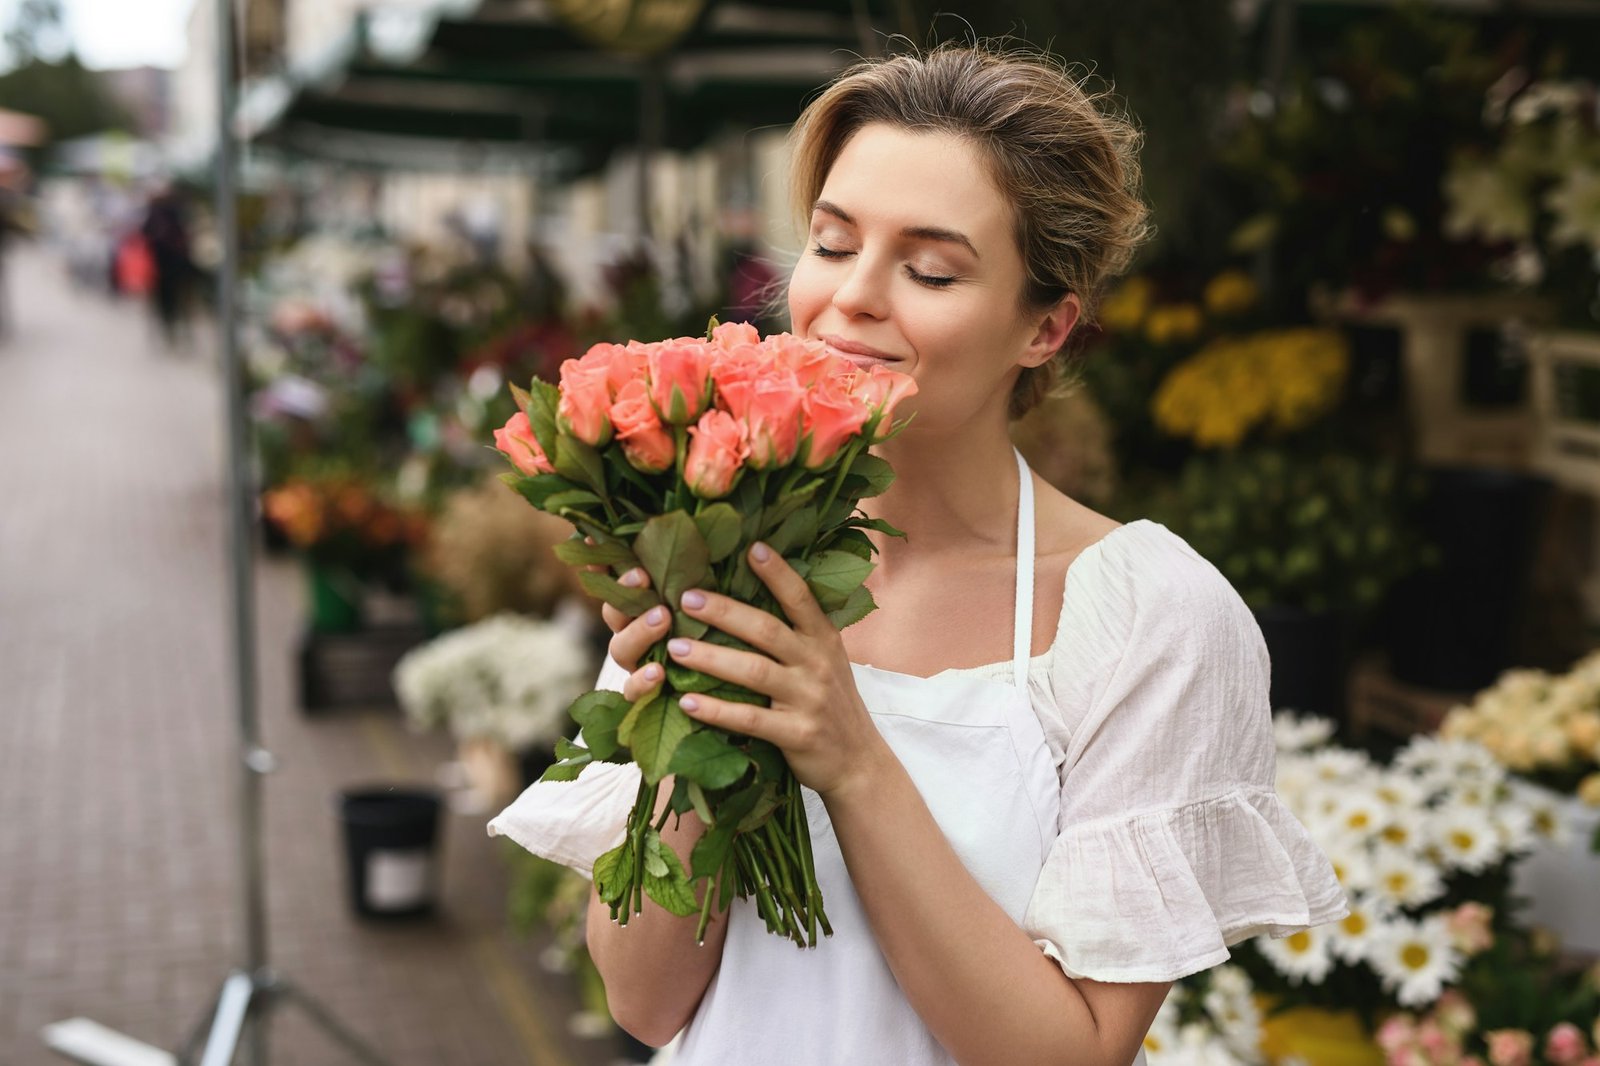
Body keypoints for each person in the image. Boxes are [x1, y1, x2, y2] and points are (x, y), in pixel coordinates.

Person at [490, 42, 1347, 1065]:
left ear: (1045, 327)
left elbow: (1066, 1054)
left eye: (930, 268)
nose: (853, 296)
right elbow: (644, 1000)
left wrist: (852, 761)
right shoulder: (716, 539)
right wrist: (678, 710)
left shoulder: (1150, 618)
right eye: (832, 242)